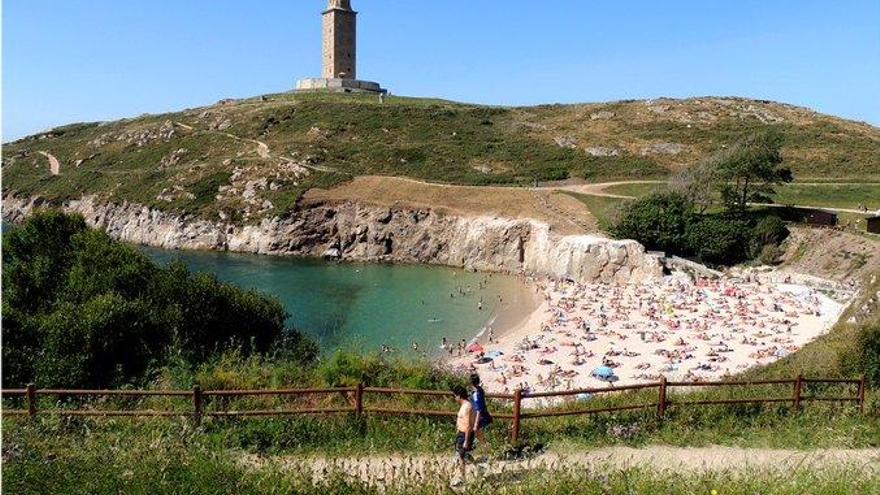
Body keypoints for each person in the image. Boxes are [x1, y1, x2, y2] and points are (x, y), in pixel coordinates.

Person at [452, 385, 475, 478]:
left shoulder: (467, 407)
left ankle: (461, 477)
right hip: (462, 433)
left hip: (465, 434)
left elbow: (468, 425)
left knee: (460, 456)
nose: (454, 398)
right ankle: (478, 467)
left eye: (455, 396)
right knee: (463, 455)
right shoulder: (465, 405)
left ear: (459, 396)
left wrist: (466, 440)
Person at [470, 374, 492, 446]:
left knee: (478, 433)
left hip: (480, 416)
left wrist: (476, 423)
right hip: (483, 415)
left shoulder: (476, 394)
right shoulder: (480, 389)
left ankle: (485, 448)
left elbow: (478, 409)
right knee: (479, 434)